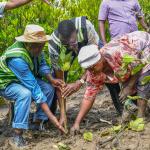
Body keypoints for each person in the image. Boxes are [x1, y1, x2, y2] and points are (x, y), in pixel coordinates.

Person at [71, 31, 150, 134]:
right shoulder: (93, 72)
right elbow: (89, 96)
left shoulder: (118, 53)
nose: (91, 71)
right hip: (132, 60)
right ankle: (144, 109)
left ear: (100, 59)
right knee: (129, 90)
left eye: (93, 67)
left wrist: (129, 86)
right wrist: (77, 123)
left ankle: (141, 118)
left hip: (144, 46)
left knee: (142, 83)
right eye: (88, 69)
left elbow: (138, 65)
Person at [0, 24, 65, 148]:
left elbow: (42, 65)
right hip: (6, 83)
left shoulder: (37, 49)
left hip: (24, 78)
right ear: (28, 44)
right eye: (38, 46)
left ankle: (37, 122)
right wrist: (53, 119)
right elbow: (34, 88)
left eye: (42, 45)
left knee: (48, 88)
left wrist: (52, 80)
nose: (41, 49)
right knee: (25, 94)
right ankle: (17, 134)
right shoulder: (17, 58)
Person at [48, 16, 104, 124]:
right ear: (60, 37)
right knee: (57, 82)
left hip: (86, 44)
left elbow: (96, 60)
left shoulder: (86, 27)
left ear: (76, 32)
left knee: (103, 67)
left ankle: (120, 107)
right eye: (65, 41)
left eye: (71, 41)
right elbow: (60, 81)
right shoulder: (53, 44)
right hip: (64, 52)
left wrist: (80, 82)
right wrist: (63, 114)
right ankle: (55, 115)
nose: (69, 43)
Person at [98, 0, 149, 114]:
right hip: (118, 43)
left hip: (135, 42)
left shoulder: (134, 1)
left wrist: (146, 28)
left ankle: (139, 106)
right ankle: (128, 108)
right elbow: (101, 22)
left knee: (139, 73)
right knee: (125, 77)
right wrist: (105, 42)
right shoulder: (106, 2)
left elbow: (140, 17)